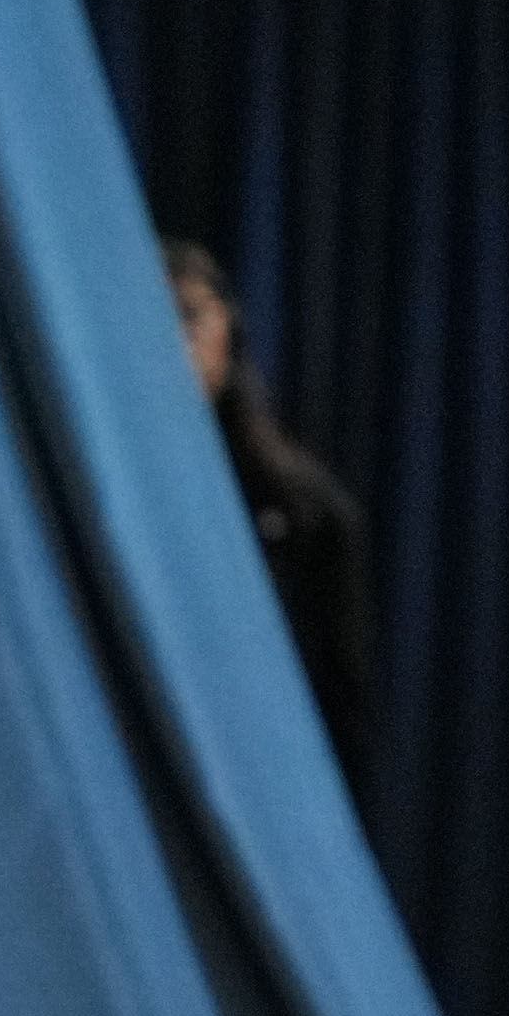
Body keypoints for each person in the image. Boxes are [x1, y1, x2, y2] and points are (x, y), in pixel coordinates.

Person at [166, 235, 379, 799]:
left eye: (189, 316)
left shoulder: (305, 507)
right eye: (155, 320)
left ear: (228, 329)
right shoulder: (104, 485)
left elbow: (339, 699)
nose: (174, 342)